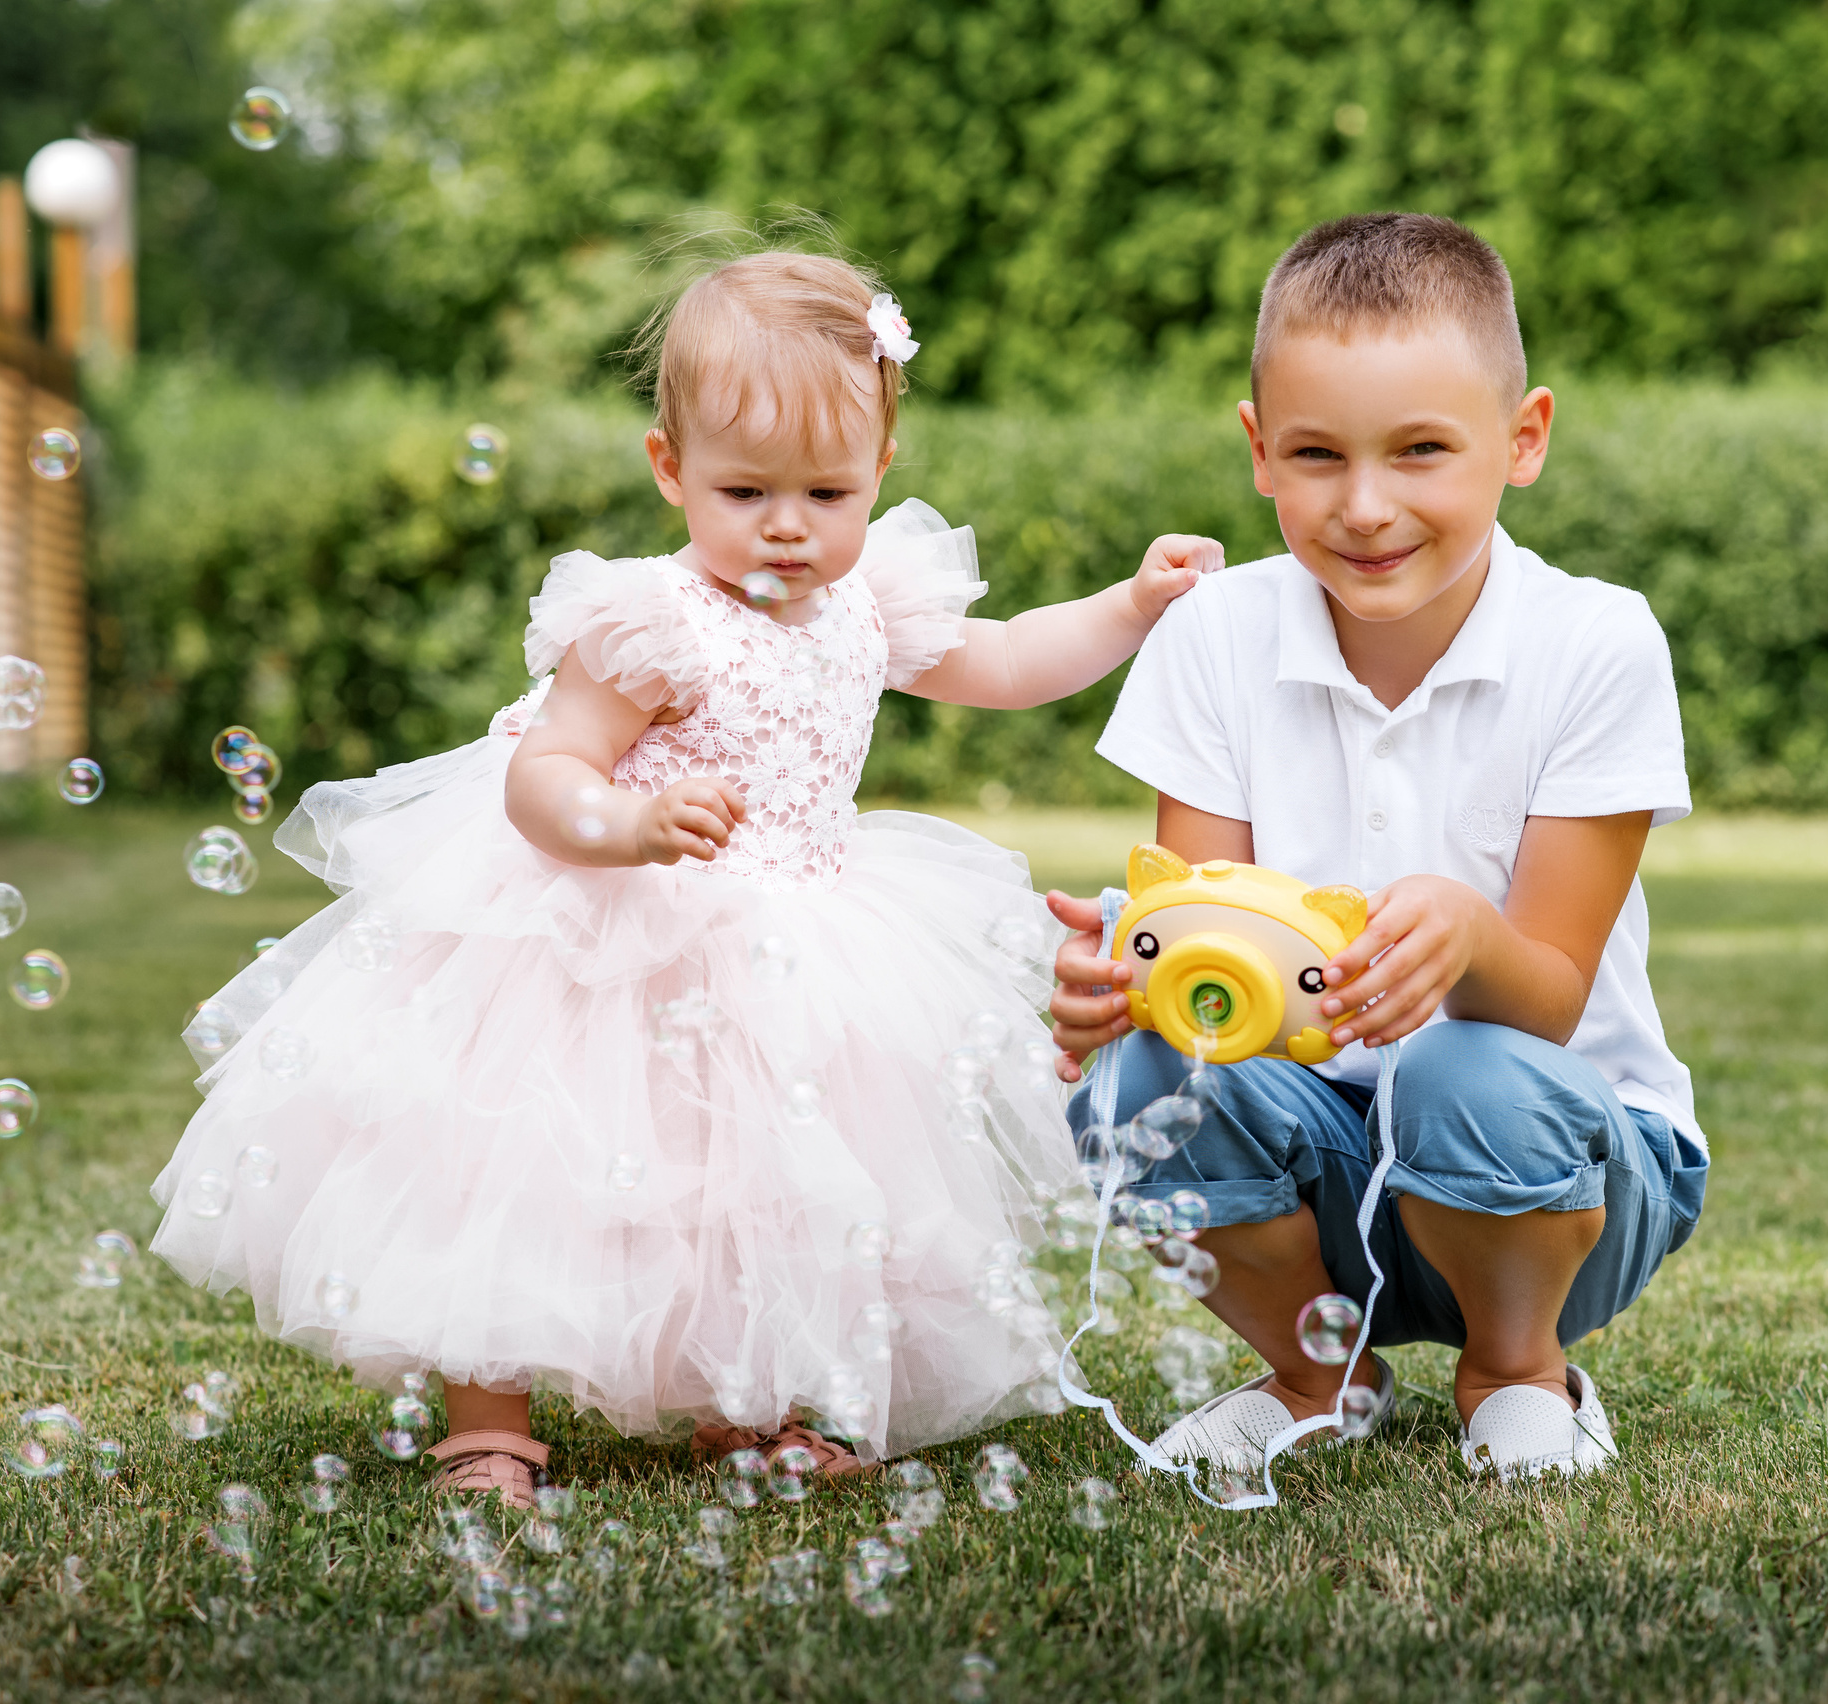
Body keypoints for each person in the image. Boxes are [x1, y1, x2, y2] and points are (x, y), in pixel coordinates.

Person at [148, 249, 1223, 1507]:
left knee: (755, 1191)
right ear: (671, 471)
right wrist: (634, 819)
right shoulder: (645, 621)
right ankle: (487, 1421)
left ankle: (745, 1406)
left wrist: (1132, 606)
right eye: (744, 488)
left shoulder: (866, 601)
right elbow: (543, 775)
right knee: (522, 1171)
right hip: (612, 933)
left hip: (795, 942)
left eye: (827, 490)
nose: (786, 524)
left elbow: (1007, 657)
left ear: (881, 471)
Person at [1047, 213, 1708, 1482]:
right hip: (1325, 1153)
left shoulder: (1596, 641)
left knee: (1469, 1067)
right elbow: (1207, 954)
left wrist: (1465, 936)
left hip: (1567, 1163)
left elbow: (1553, 995)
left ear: (1523, 441)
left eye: (1420, 452)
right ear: (1257, 453)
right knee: (1142, 1079)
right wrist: (1128, 991)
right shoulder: (1213, 634)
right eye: (1315, 454)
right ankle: (1313, 1374)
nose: (1364, 507)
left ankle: (1519, 1369)